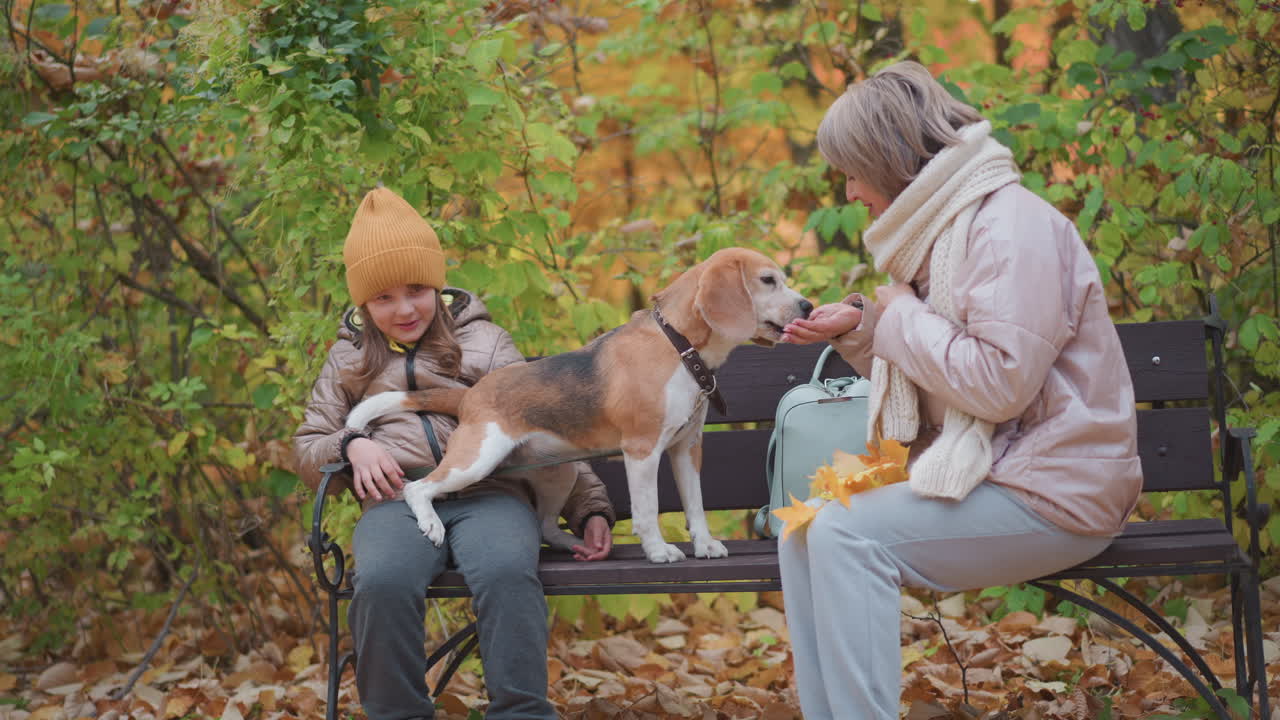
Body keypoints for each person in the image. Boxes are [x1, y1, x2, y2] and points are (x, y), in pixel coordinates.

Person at [777, 61, 1142, 718]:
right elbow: (946, 384)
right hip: (1008, 473)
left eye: (853, 170)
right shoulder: (944, 230)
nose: (851, 189)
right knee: (802, 532)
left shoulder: (1009, 229)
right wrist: (865, 330)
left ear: (887, 160)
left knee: (843, 537)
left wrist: (899, 315)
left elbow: (997, 386)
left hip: (1058, 489)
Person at [295, 187, 615, 720]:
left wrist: (591, 508)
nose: (403, 309)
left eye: (416, 289)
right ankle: (398, 712)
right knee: (382, 581)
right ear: (363, 304)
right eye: (383, 298)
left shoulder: (485, 343)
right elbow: (308, 445)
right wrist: (353, 445)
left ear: (437, 285)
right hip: (396, 501)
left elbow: (544, 424)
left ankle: (521, 712)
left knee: (507, 569)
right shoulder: (347, 359)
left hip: (491, 495)